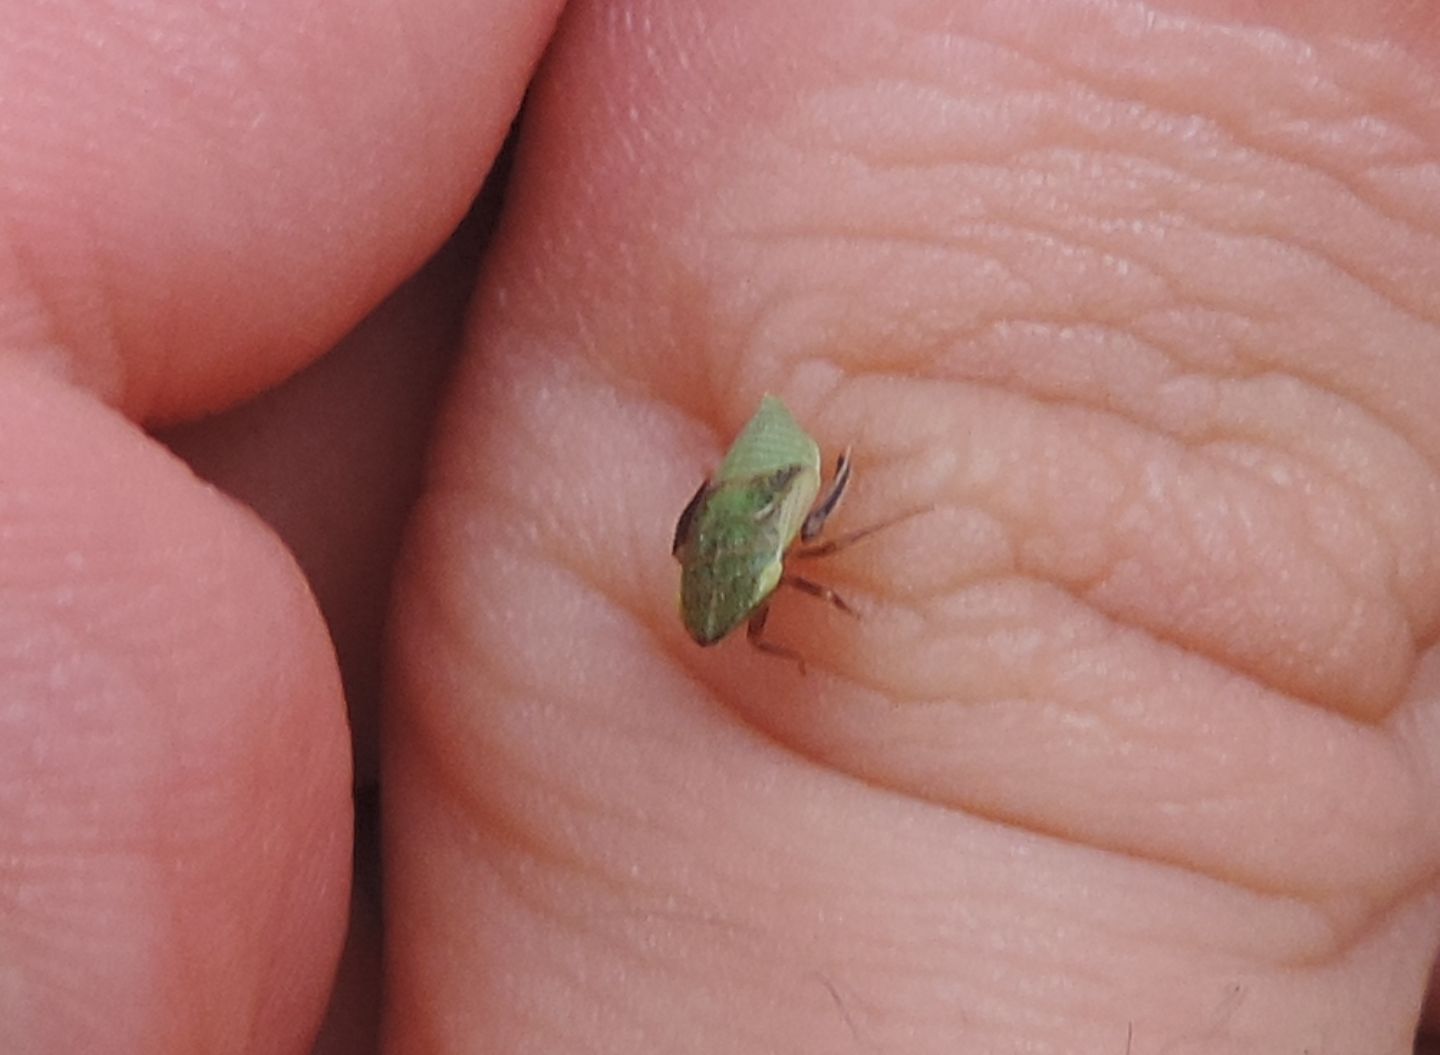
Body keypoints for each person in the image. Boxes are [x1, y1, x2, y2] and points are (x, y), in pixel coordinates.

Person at [6, 1, 1440, 1052]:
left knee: (850, 528)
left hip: (765, 475)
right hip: (753, 482)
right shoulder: (737, 588)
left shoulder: (756, 564)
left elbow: (748, 548)